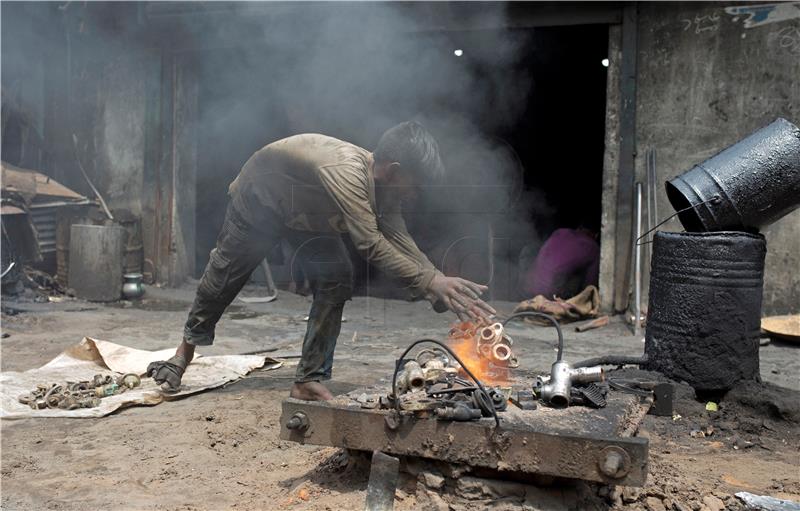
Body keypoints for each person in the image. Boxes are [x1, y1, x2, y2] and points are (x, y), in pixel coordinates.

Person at [147, 122, 495, 401]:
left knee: (337, 278)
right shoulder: (346, 171)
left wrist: (435, 281)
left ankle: (308, 380)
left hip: (307, 218)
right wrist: (429, 282)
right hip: (261, 202)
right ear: (394, 169)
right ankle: (182, 354)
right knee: (222, 277)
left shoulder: (385, 187)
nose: (414, 194)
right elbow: (370, 244)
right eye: (413, 186)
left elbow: (397, 235)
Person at [522, 225, 600, 300]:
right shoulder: (593, 248)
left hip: (527, 287)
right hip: (549, 295)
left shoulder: (560, 231)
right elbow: (590, 287)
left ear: (579, 227)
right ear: (596, 235)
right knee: (578, 275)